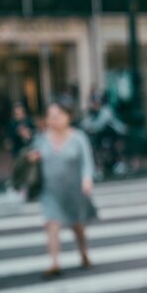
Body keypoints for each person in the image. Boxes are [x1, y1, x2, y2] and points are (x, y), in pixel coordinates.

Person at [29, 96, 97, 278]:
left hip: (74, 192)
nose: (54, 118)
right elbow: (32, 157)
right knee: (52, 224)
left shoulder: (78, 138)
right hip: (50, 191)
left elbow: (87, 163)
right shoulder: (42, 139)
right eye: (50, 115)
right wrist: (32, 159)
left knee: (78, 226)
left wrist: (87, 180)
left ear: (68, 116)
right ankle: (54, 263)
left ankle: (84, 254)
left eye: (58, 114)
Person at [81, 94, 128, 179]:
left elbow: (98, 124)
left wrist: (90, 128)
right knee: (97, 149)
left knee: (113, 148)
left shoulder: (106, 111)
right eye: (94, 103)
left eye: (97, 103)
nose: (95, 105)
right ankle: (99, 168)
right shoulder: (91, 113)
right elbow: (85, 124)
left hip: (114, 134)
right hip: (101, 136)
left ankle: (118, 164)